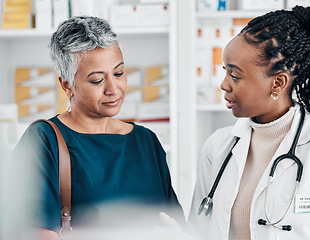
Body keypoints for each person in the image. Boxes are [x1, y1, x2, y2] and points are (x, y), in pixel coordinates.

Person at [189, 6, 310, 240]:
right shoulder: (217, 147)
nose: (224, 85)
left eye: (235, 75)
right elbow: (197, 232)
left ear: (278, 83)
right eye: (225, 72)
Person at [7, 16, 183, 240]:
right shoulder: (44, 141)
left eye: (119, 73)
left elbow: (174, 226)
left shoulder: (146, 142)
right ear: (67, 85)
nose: (113, 89)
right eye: (98, 80)